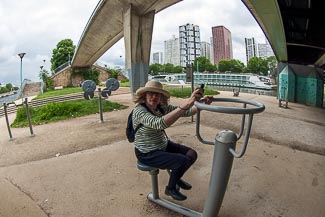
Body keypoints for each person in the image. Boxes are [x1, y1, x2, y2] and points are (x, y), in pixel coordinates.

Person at [132, 80, 212, 201]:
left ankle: (176, 178)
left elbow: (187, 112)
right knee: (182, 161)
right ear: (144, 95)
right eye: (151, 93)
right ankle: (170, 188)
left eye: (157, 94)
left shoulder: (161, 108)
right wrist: (186, 103)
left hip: (161, 144)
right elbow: (159, 124)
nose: (154, 97)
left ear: (161, 97)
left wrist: (203, 103)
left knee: (192, 154)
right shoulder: (139, 111)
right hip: (147, 152)